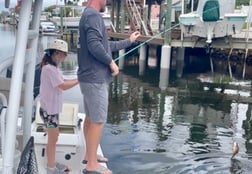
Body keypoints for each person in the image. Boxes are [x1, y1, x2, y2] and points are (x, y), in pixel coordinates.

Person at [77, 0, 140, 174]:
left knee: (90, 118)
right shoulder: (93, 16)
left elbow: (105, 46)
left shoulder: (87, 16)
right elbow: (94, 46)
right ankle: (91, 165)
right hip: (95, 79)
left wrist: (129, 41)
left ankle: (89, 156)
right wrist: (111, 63)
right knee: (98, 120)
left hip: (88, 77)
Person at [39, 39, 79, 174]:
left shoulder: (51, 68)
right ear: (56, 53)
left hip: (50, 110)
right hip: (50, 112)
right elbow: (63, 86)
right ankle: (51, 168)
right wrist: (79, 80)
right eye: (64, 54)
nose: (65, 57)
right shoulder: (50, 69)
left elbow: (62, 81)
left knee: (54, 138)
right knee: (53, 139)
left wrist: (77, 78)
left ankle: (51, 163)